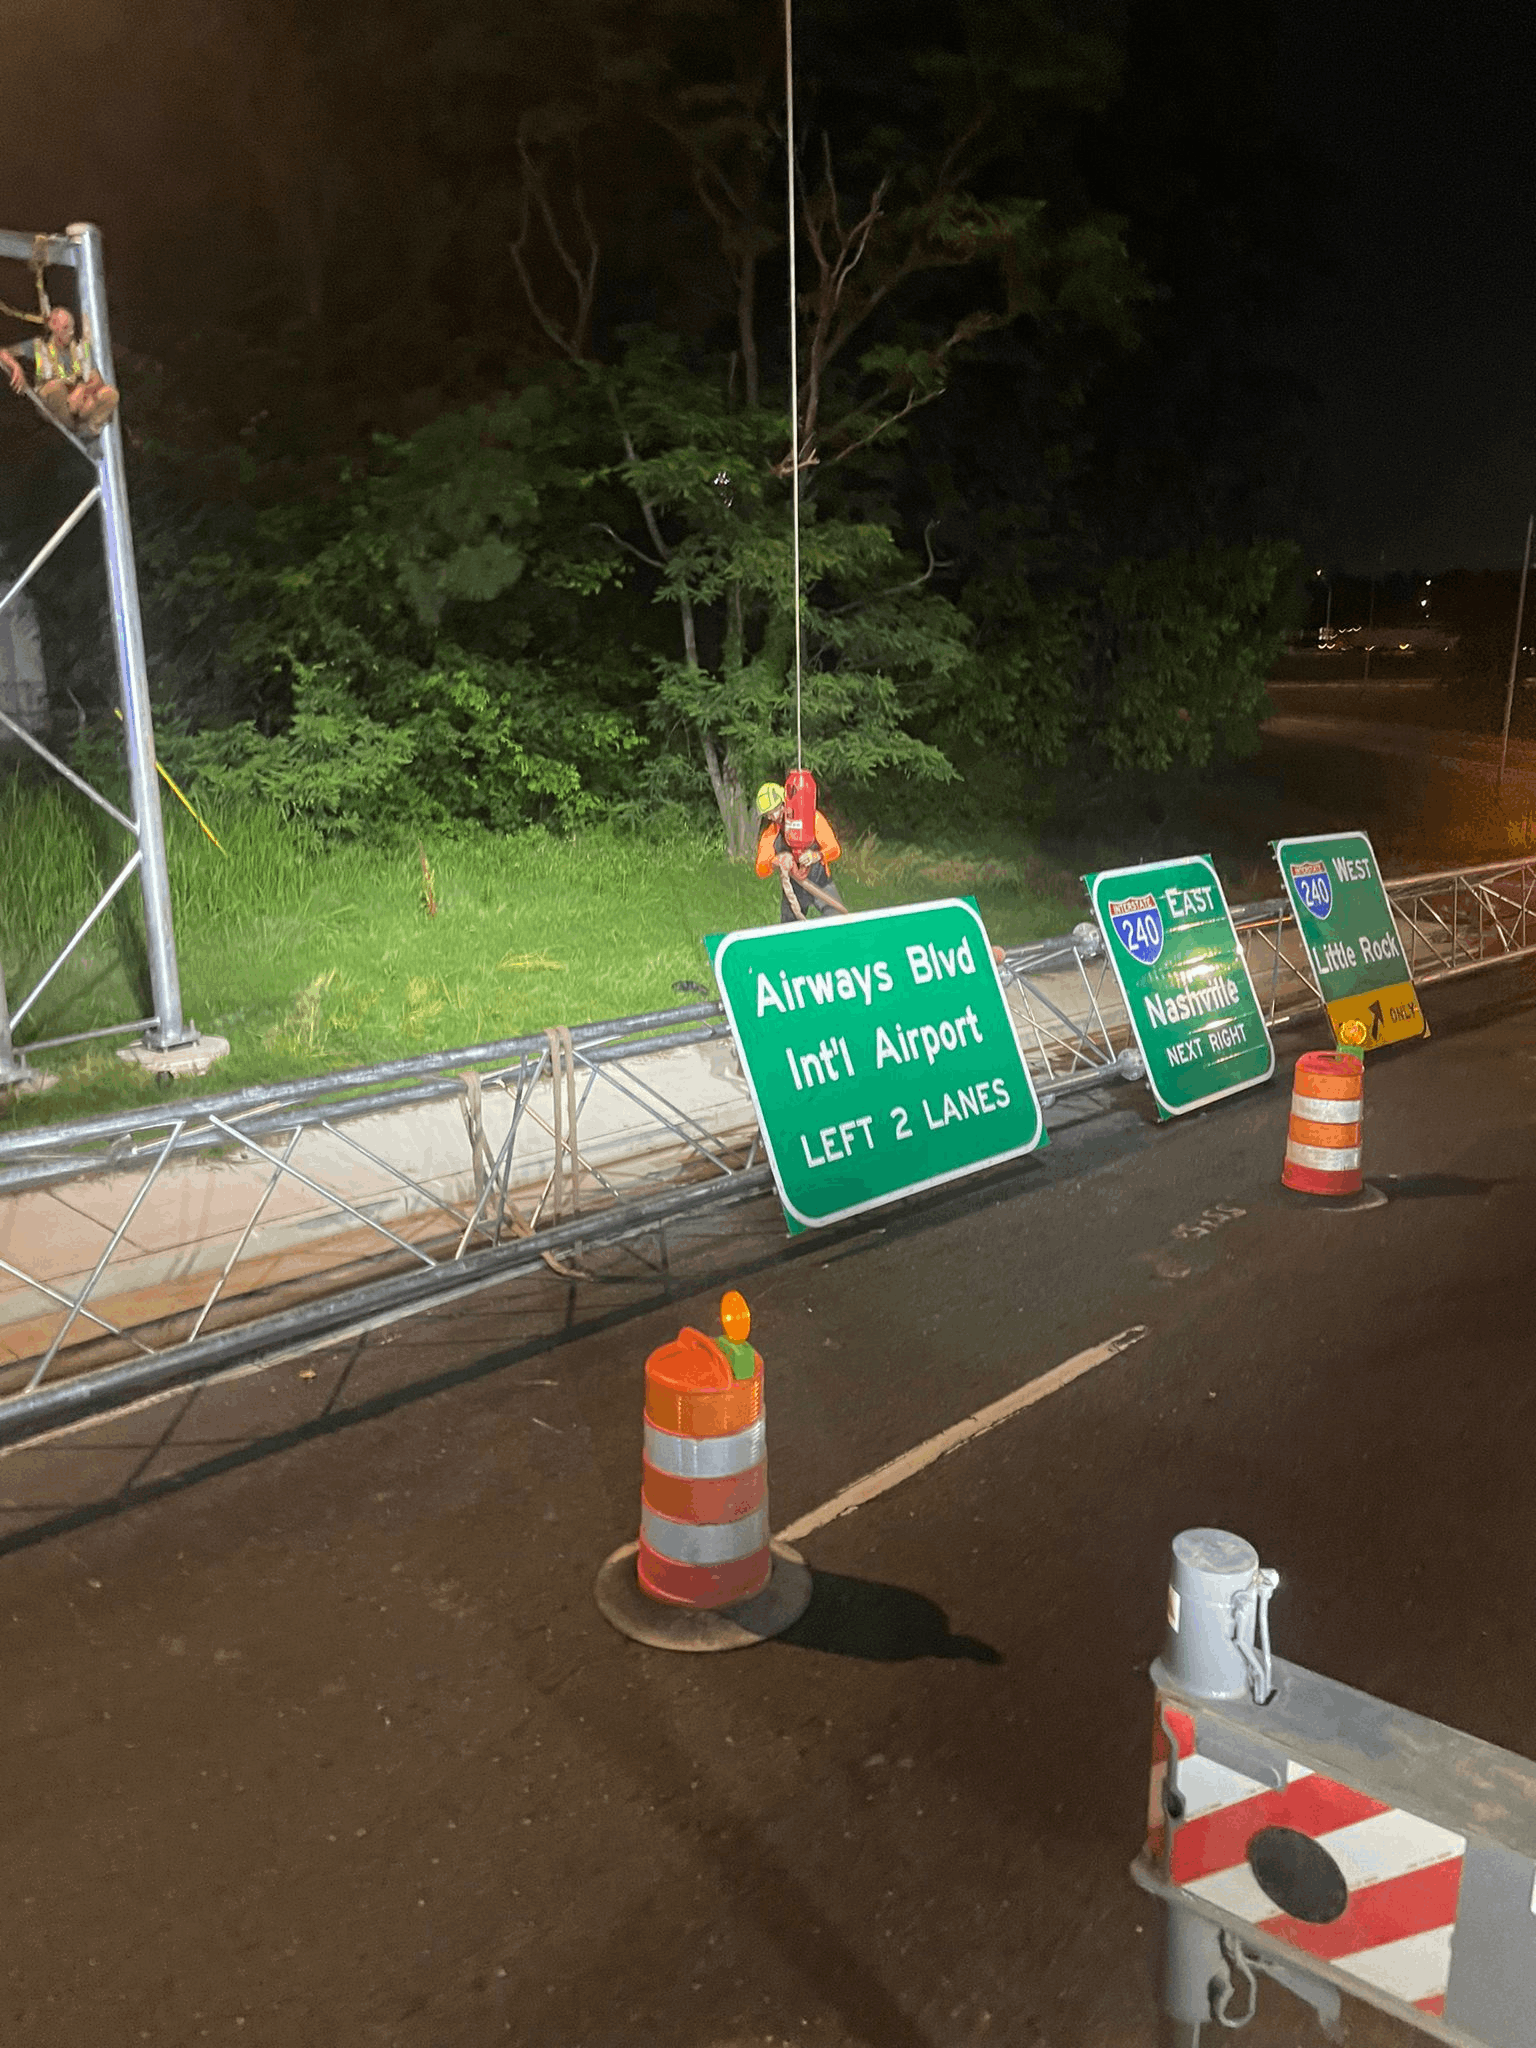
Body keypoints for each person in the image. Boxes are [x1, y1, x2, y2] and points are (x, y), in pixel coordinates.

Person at [0, 305, 119, 436]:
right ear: (53, 326)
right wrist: (15, 367)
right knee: (55, 387)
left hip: (77, 404)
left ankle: (88, 428)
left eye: (72, 328)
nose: (71, 332)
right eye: (66, 328)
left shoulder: (81, 349)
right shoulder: (39, 346)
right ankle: (75, 424)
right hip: (53, 403)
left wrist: (82, 389)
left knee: (110, 393)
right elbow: (3, 353)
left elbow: (96, 380)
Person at [754, 780, 845, 923]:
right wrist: (777, 861)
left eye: (774, 811)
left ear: (784, 803)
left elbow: (835, 849)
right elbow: (761, 869)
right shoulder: (771, 834)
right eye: (768, 815)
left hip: (820, 882)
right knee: (789, 931)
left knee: (838, 919)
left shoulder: (813, 819)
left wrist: (816, 856)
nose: (772, 817)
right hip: (794, 890)